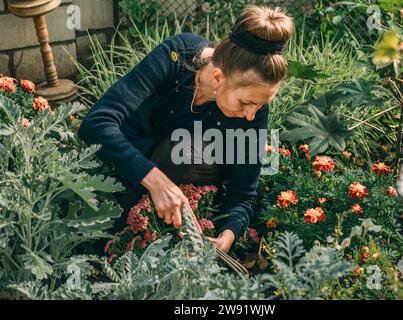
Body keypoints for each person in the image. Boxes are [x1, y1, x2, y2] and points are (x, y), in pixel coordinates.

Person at [77, 5, 294, 253]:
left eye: (260, 105)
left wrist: (228, 235)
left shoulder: (253, 108)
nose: (251, 115)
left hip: (190, 182)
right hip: (123, 167)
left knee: (182, 151)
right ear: (217, 78)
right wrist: (157, 182)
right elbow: (97, 123)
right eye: (245, 102)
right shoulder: (176, 55)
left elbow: (243, 192)